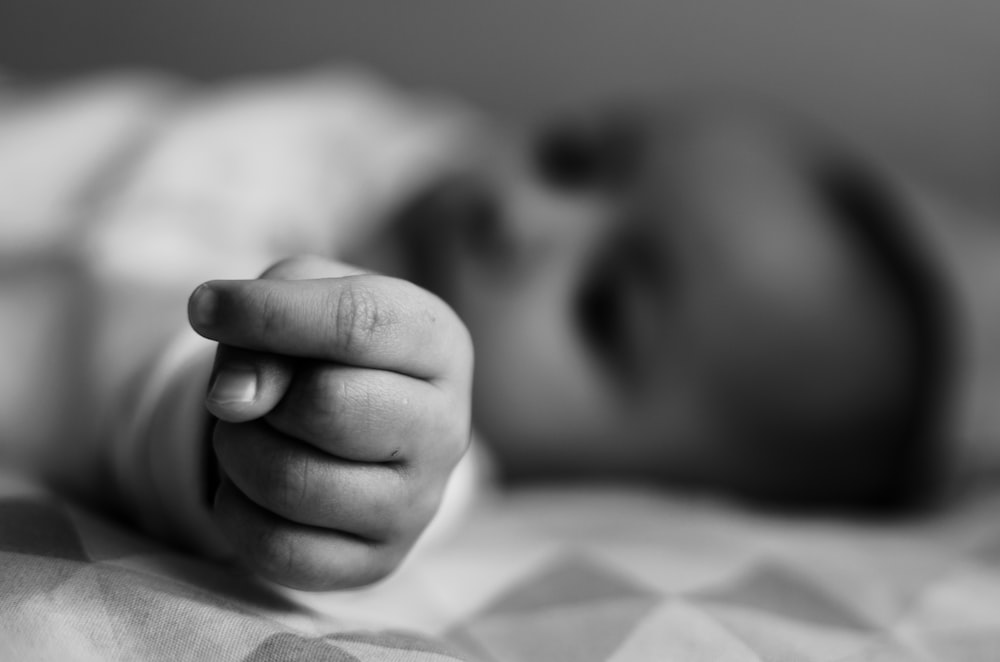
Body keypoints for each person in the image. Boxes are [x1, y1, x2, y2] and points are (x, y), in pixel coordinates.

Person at [5, 73, 999, 591]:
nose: (522, 214)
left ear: (645, 484)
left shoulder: (428, 433)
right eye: (572, 157)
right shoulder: (382, 147)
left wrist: (251, 437)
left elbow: (371, 470)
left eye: (603, 310)